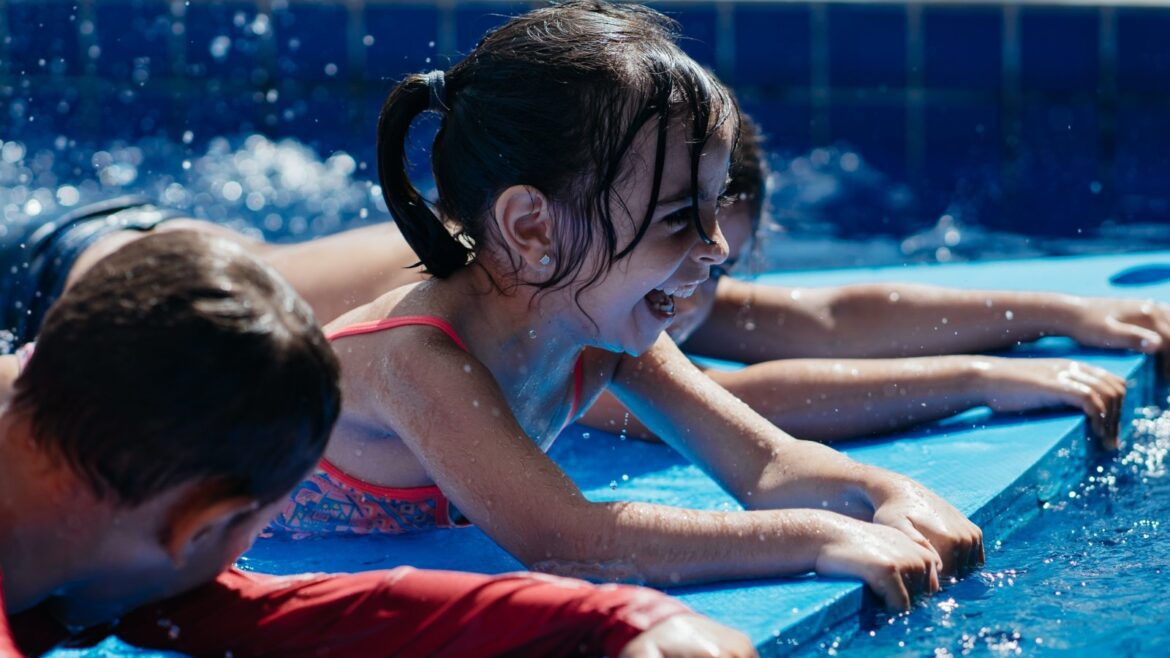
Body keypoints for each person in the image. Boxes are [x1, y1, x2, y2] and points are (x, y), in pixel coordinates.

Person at [264, 0, 982, 612]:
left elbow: (768, 467)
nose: (712, 249)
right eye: (678, 219)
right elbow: (569, 540)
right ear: (532, 227)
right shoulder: (415, 361)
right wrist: (818, 537)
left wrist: (885, 491)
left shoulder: (598, 326)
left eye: (713, 210)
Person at [0, 230, 755, 658]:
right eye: (246, 535)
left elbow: (329, 613)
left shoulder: (98, 529)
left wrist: (624, 621)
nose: (234, 573)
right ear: (200, 527)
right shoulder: (124, 565)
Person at [580, 114, 1130, 445]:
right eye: (675, 248)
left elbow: (831, 323)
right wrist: (974, 380)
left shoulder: (655, 290)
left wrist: (1057, 314)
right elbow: (724, 406)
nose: (689, 292)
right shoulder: (580, 323)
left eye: (720, 268)